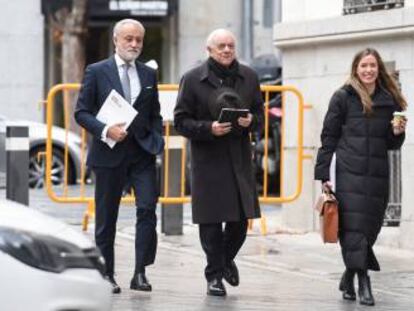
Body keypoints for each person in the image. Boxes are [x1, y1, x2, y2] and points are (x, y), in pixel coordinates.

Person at [75, 19, 164, 294]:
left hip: (142, 154)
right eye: (128, 39)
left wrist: (157, 139)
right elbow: (81, 112)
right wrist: (105, 131)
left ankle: (140, 272)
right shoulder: (96, 71)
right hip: (108, 155)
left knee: (148, 209)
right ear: (116, 40)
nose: (134, 44)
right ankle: (106, 274)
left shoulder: (149, 75)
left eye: (138, 39)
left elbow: (155, 114)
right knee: (107, 217)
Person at [174, 29, 263, 297]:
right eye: (221, 46)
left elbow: (259, 113)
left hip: (239, 158)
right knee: (211, 222)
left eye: (231, 45)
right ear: (209, 49)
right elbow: (180, 121)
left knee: (240, 221)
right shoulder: (192, 79)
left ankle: (225, 259)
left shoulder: (249, 76)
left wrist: (252, 122)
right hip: (208, 159)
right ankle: (214, 275)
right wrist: (208, 128)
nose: (227, 50)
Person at [315, 48, 407, 306]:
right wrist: (323, 174)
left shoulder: (390, 100)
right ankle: (363, 281)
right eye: (363, 65)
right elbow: (328, 137)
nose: (368, 70)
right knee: (353, 230)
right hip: (347, 173)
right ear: (356, 68)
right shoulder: (343, 97)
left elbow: (392, 144)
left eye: (373, 66)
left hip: (376, 175)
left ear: (379, 69)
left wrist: (398, 132)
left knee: (369, 230)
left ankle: (348, 275)